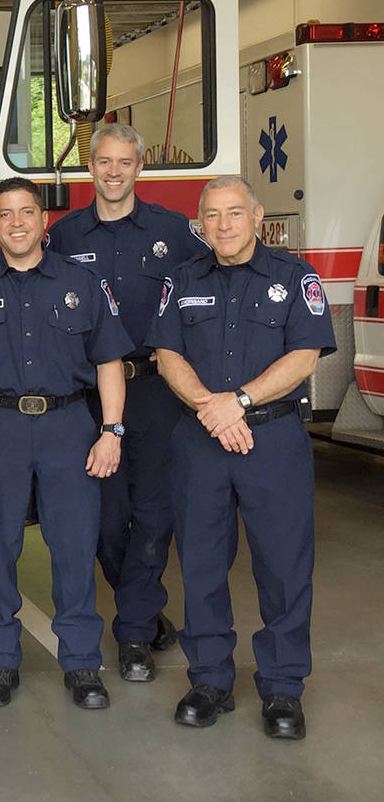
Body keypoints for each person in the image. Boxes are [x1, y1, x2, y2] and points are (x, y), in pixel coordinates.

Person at [145, 175, 334, 740]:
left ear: (256, 216)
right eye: (212, 215)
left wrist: (242, 402)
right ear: (199, 223)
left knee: (283, 566)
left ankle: (282, 688)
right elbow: (167, 354)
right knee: (201, 563)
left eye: (234, 213)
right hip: (201, 440)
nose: (223, 225)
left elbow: (305, 357)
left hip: (274, 441)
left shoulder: (295, 278)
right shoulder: (179, 281)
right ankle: (210, 682)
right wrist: (214, 409)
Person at [0, 177, 132, 711]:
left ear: (44, 221)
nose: (18, 222)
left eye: (28, 212)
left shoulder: (82, 282)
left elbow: (108, 362)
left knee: (74, 548)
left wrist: (111, 431)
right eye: (6, 214)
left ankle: (82, 664)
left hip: (69, 425)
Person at [44, 123, 210, 681]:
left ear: (140, 169)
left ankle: (135, 633)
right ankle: (142, 604)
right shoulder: (64, 236)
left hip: (158, 390)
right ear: (90, 168)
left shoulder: (173, 233)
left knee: (155, 512)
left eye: (125, 163)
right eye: (104, 162)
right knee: (105, 520)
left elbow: (208, 292)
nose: (114, 172)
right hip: (93, 397)